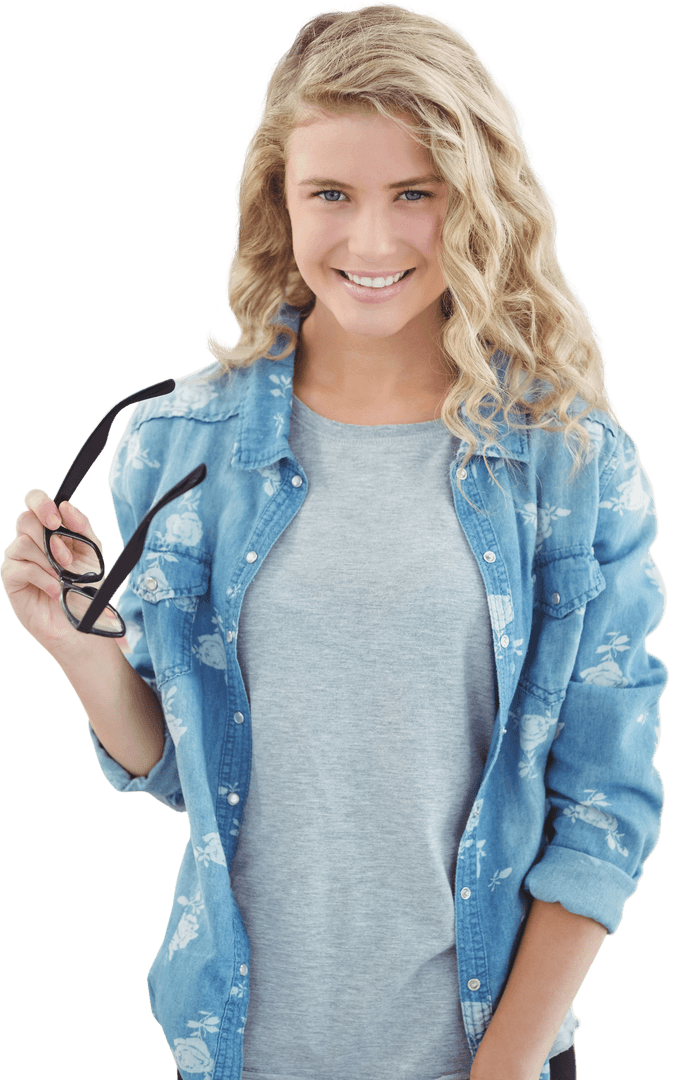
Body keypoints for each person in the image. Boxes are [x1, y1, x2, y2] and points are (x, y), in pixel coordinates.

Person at [1, 4, 667, 1080]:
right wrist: (88, 659)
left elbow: (605, 808)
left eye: (415, 194)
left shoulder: (569, 467)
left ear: (477, 201)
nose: (369, 241)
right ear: (279, 200)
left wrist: (495, 1075)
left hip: (486, 1057)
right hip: (231, 1054)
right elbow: (194, 772)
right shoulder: (178, 447)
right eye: (330, 194)